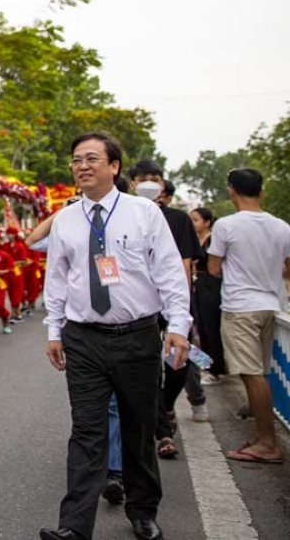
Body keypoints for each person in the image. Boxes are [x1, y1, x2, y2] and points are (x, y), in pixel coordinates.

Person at [40, 131, 191, 540]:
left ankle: (143, 511)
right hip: (83, 339)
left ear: (114, 166)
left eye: (91, 158)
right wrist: (54, 330)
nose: (82, 166)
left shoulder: (144, 213)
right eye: (76, 160)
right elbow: (56, 279)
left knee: (138, 427)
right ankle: (73, 526)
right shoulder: (66, 219)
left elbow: (169, 273)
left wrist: (178, 325)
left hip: (137, 336)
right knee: (87, 431)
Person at [208, 167, 290, 465]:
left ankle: (268, 444)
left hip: (240, 306)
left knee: (251, 374)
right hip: (270, 304)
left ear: (231, 190)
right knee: (261, 372)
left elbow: (214, 269)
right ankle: (261, 437)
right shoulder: (282, 226)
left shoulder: (226, 226)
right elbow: (287, 267)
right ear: (262, 192)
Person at [128, 160, 203, 460]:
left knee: (179, 367)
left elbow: (184, 264)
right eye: (143, 178)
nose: (150, 183)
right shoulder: (124, 215)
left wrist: (180, 315)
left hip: (172, 306)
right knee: (147, 371)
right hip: (139, 308)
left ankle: (167, 406)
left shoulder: (178, 219)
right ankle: (163, 433)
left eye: (155, 178)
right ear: (132, 183)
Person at [190, 207, 225, 382]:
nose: (193, 224)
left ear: (207, 222)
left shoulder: (213, 240)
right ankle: (205, 364)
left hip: (211, 285)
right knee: (200, 326)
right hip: (199, 285)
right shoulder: (195, 239)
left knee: (211, 326)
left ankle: (215, 369)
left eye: (196, 220)